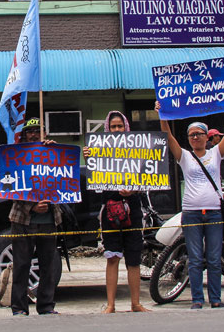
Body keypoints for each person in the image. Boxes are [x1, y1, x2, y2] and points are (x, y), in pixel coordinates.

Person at [157, 93, 224, 309]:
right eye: (192, 135)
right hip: (192, 212)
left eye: (199, 134)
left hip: (213, 212)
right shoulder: (184, 156)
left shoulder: (216, 154)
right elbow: (167, 135)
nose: (195, 137)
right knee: (194, 259)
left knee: (213, 259)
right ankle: (196, 299)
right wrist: (162, 114)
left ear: (207, 136)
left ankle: (215, 298)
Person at [82, 111, 149, 313]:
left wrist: (133, 189)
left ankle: (135, 303)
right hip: (110, 209)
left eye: (120, 126)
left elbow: (146, 176)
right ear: (107, 129)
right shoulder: (98, 149)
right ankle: (111, 305)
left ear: (126, 128)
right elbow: (95, 177)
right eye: (114, 127)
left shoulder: (137, 150)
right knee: (112, 258)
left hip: (133, 209)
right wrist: (89, 157)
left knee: (134, 258)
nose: (117, 130)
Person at [9, 117, 61, 316]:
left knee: (48, 266)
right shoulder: (17, 156)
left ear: (45, 133)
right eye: (30, 131)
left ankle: (46, 306)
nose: (34, 134)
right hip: (22, 219)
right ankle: (19, 308)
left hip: (49, 219)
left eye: (38, 130)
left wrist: (57, 152)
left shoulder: (53, 153)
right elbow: (11, 186)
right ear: (24, 135)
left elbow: (65, 178)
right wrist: (32, 206)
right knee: (21, 265)